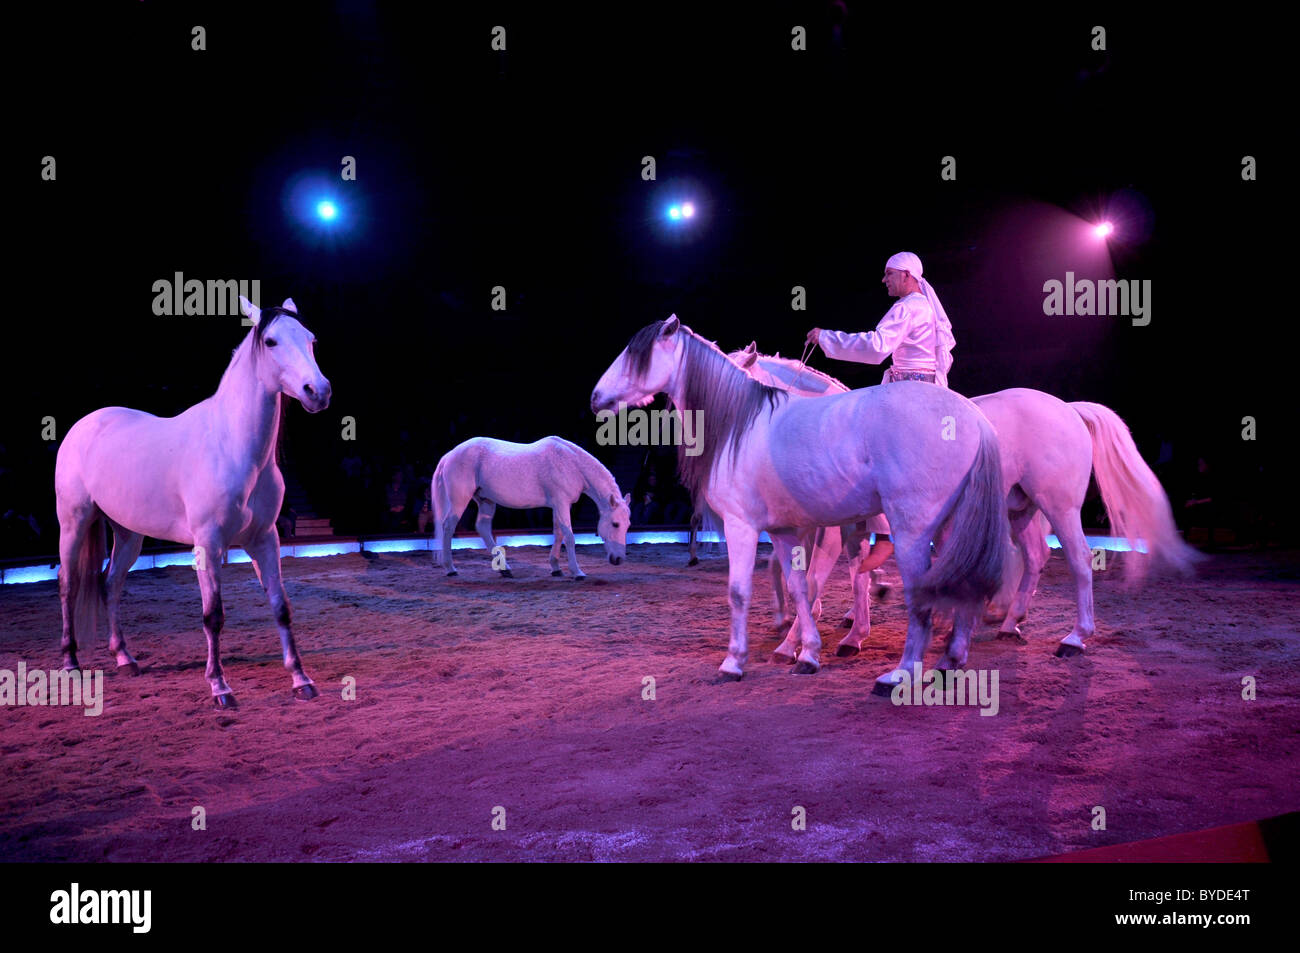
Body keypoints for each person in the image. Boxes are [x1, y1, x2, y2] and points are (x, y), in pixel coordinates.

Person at [806, 251, 955, 387]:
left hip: (908, 389)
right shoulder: (925, 304)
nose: (884, 280)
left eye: (889, 273)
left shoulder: (907, 306)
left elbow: (877, 347)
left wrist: (826, 337)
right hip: (926, 386)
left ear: (906, 275)